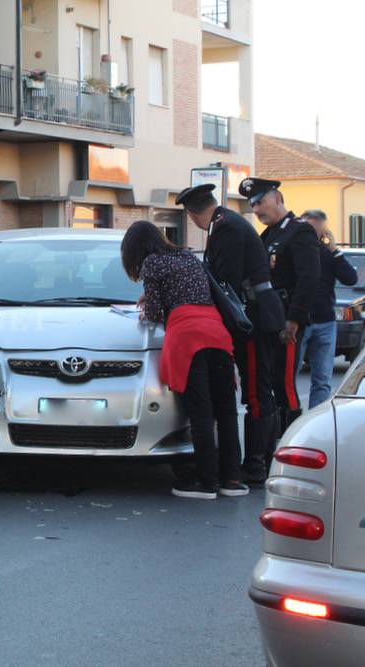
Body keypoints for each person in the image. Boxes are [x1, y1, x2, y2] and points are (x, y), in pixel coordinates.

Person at [121, 221, 247, 500]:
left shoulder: (152, 263)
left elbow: (154, 312)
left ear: (135, 248)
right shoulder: (189, 257)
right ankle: (232, 480)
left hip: (189, 339)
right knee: (225, 412)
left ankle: (205, 482)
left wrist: (146, 312)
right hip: (217, 333)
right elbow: (191, 292)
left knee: (200, 413)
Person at [176, 183, 281, 485]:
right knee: (258, 390)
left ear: (192, 215)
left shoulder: (225, 228)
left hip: (253, 315)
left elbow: (225, 281)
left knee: (257, 394)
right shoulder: (227, 222)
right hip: (256, 311)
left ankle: (256, 464)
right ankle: (259, 460)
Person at [240, 178, 321, 435]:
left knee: (283, 384)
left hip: (286, 318)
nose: (257, 210)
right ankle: (272, 444)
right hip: (267, 318)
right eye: (253, 206)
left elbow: (309, 277)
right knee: (268, 383)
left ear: (277, 198)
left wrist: (294, 319)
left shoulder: (299, 230)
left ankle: (292, 441)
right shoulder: (269, 234)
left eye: (261, 202)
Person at [297, 209, 357, 408]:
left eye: (319, 231)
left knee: (322, 381)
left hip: (325, 322)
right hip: (298, 322)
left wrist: (335, 250)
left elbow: (350, 278)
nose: (314, 235)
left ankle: (314, 424)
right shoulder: (293, 250)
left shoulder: (328, 253)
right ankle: (289, 422)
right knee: (288, 377)